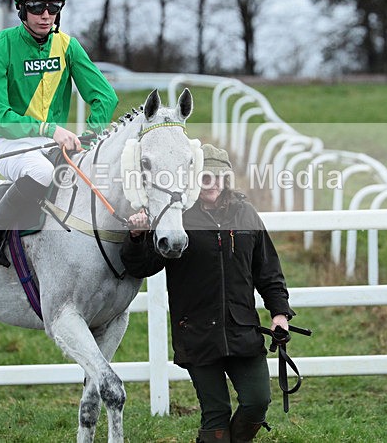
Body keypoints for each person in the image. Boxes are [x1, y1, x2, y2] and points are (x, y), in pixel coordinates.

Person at [121, 144, 295, 443]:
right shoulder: (177, 217)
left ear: (226, 179)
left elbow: (268, 270)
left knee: (257, 402)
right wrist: (136, 237)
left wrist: (280, 314)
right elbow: (142, 266)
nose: (210, 184)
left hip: (242, 329)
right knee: (215, 414)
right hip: (196, 332)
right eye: (203, 177)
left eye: (217, 177)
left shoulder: (245, 214)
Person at [0, 0, 118, 266]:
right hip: (14, 145)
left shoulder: (68, 46)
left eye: (53, 7)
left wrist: (92, 136)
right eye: (37, 7)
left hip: (56, 146)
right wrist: (49, 129)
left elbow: (105, 96)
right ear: (22, 9)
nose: (46, 15)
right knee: (42, 172)